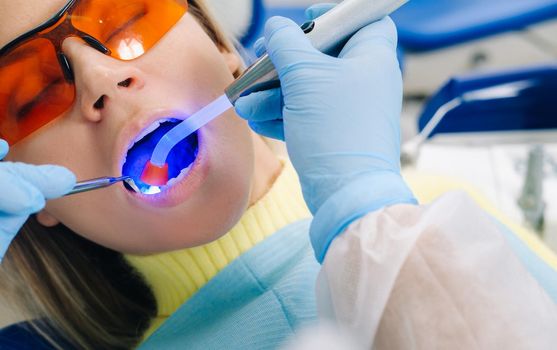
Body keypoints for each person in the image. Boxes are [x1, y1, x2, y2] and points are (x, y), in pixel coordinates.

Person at [1, 1, 556, 350]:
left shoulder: (433, 208)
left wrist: (369, 207)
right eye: (29, 92)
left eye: (126, 15)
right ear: (29, 192)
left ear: (223, 47)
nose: (101, 77)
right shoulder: (414, 223)